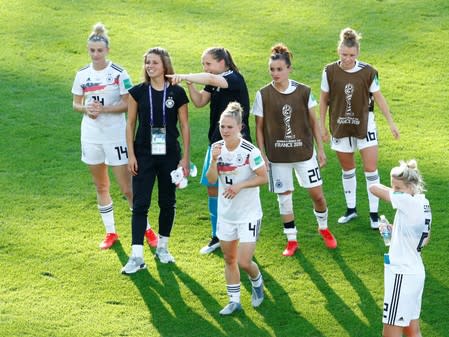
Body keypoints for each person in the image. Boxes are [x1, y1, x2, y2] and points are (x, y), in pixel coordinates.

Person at [71, 23, 158, 250]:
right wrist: (86, 109)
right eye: (92, 50)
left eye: (99, 50)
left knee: (128, 188)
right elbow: (75, 103)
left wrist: (104, 110)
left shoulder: (118, 73)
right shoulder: (82, 74)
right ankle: (110, 232)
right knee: (101, 186)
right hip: (91, 136)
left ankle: (146, 227)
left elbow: (128, 103)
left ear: (107, 50)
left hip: (115, 136)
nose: (96, 54)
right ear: (88, 50)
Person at [253, 43, 337, 257]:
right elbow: (259, 128)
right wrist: (262, 154)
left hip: (304, 154)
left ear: (289, 69)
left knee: (317, 195)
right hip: (277, 157)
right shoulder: (262, 95)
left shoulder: (304, 92)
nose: (275, 73)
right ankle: (292, 240)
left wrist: (320, 150)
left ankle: (324, 228)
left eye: (279, 69)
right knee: (284, 198)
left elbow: (314, 122)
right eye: (272, 69)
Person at [167, 47, 252, 254]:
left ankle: (242, 236)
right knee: (213, 188)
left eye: (208, 63)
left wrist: (186, 76)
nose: (206, 68)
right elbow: (199, 102)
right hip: (216, 143)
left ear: (222, 62)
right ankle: (217, 235)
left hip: (236, 145)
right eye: (204, 64)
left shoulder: (233, 78)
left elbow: (213, 80)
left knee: (236, 190)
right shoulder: (213, 80)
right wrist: (190, 85)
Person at [320, 27, 400, 229]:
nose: (347, 59)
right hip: (340, 127)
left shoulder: (368, 72)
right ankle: (351, 209)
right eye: (344, 54)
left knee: (370, 169)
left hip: (365, 126)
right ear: (339, 51)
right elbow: (324, 100)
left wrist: (391, 122)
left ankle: (374, 213)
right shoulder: (329, 71)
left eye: (351, 55)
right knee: (348, 170)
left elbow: (379, 98)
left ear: (358, 54)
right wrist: (322, 126)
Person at [121, 47, 190, 274]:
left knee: (167, 202)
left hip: (169, 154)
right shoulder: (137, 92)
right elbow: (130, 124)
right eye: (147, 63)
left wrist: (185, 159)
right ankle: (136, 256)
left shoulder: (177, 93)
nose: (150, 66)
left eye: (154, 63)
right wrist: (130, 155)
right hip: (143, 154)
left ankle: (163, 247)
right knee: (140, 204)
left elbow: (185, 126)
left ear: (164, 66)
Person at [206, 102, 267, 315]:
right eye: (222, 126)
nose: (224, 131)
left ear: (240, 127)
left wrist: (240, 185)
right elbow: (211, 179)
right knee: (229, 259)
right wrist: (213, 161)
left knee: (243, 261)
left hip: (248, 214)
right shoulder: (216, 149)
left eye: (229, 127)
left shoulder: (250, 151)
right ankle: (234, 301)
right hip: (227, 215)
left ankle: (257, 283)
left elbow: (264, 177)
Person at [369, 160, 431, 337]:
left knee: (390, 332)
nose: (395, 192)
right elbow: (424, 240)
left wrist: (392, 191)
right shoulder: (423, 203)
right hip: (415, 271)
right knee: (412, 330)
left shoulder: (407, 202)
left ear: (412, 187)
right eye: (393, 187)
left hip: (401, 275)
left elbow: (373, 188)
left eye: (398, 188)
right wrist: (395, 231)